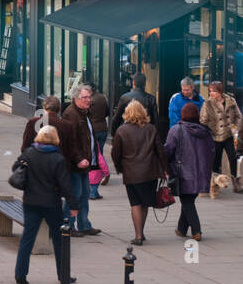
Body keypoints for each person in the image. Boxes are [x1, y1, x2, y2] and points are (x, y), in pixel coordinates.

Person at [12, 126, 77, 284]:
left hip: (31, 202)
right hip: (51, 204)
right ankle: (63, 275)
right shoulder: (57, 158)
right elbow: (65, 185)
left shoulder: (29, 153)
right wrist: (73, 204)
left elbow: (15, 168)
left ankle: (20, 275)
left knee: (27, 238)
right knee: (59, 240)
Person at [111, 101, 168, 245]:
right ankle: (141, 233)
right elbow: (160, 150)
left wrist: (120, 168)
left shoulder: (121, 131)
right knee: (145, 203)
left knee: (135, 203)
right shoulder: (151, 129)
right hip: (149, 172)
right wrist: (165, 169)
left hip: (131, 173)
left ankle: (137, 236)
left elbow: (115, 153)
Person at [165, 102, 215, 241]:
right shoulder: (205, 132)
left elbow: (168, 150)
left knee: (187, 201)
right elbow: (212, 151)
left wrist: (166, 165)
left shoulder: (176, 130)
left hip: (183, 172)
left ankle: (196, 230)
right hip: (201, 172)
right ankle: (181, 229)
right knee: (188, 199)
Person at [61, 86, 100, 236]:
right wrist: (78, 159)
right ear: (76, 99)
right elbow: (71, 142)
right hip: (75, 164)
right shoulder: (71, 115)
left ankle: (84, 224)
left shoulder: (84, 113)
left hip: (85, 163)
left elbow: (89, 137)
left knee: (84, 194)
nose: (88, 100)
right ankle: (68, 225)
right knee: (75, 195)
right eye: (85, 97)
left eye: (89, 97)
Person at [202, 81, 242, 191]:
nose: (211, 93)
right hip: (215, 137)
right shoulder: (207, 103)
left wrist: (235, 128)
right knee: (215, 161)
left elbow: (239, 117)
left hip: (229, 135)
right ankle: (215, 184)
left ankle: (236, 184)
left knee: (233, 158)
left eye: (214, 91)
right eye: (210, 91)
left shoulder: (231, 101)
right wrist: (209, 131)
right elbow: (203, 120)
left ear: (220, 91)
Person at [86, 83, 110, 199]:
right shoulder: (102, 97)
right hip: (103, 129)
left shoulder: (89, 100)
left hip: (93, 129)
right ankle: (103, 173)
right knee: (99, 152)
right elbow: (108, 112)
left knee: (96, 154)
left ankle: (99, 176)